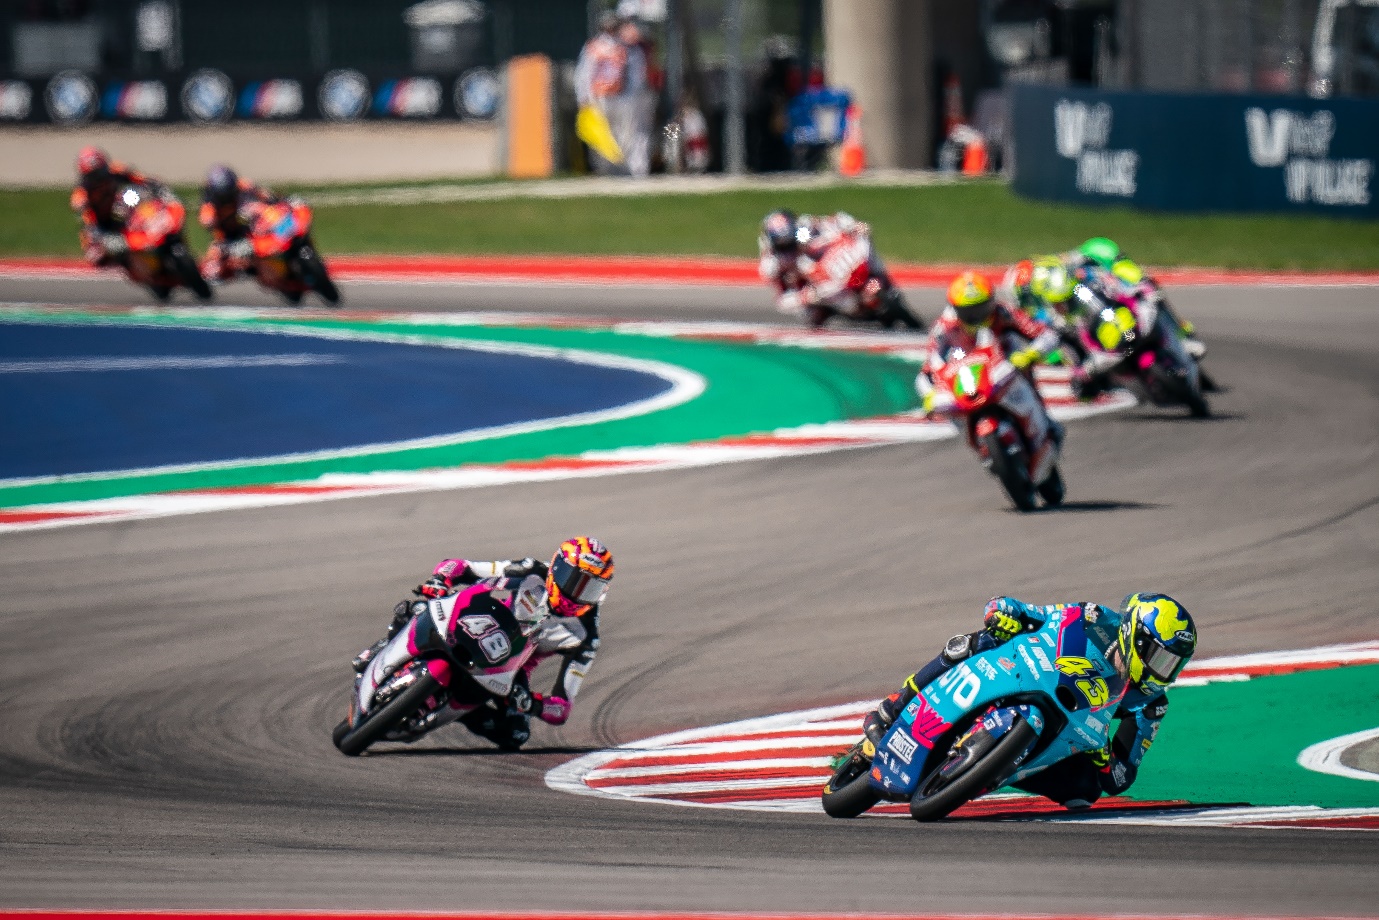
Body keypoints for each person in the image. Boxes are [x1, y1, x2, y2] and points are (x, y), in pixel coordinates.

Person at [861, 593, 1197, 810]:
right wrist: (1003, 612)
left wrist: (1105, 758)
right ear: (1135, 637)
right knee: (984, 639)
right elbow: (1029, 612)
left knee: (1086, 790)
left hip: (1067, 735)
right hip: (1033, 675)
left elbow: (1121, 778)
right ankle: (900, 702)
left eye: (1172, 665)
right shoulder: (1092, 617)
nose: (1163, 672)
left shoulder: (1150, 705)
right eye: (1160, 658)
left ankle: (993, 770)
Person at [356, 536, 613, 749]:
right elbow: (460, 566)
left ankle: (461, 710)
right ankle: (383, 646)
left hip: (512, 666)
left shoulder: (586, 637)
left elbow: (562, 708)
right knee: (420, 607)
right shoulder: (531, 570)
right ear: (556, 567)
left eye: (589, 589)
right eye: (572, 580)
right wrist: (440, 580)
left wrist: (531, 703)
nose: (577, 594)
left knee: (515, 735)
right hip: (481, 620)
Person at [916, 271, 1065, 445]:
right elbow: (930, 364)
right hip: (968, 366)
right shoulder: (944, 326)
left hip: (1005, 359)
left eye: (982, 309)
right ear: (955, 309)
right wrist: (929, 393)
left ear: (992, 301)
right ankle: (973, 433)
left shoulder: (1004, 312)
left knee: (1022, 368)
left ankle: (1045, 423)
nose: (977, 317)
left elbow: (1047, 334)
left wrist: (1030, 353)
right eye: (968, 312)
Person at [758, 209, 916, 328]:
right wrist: (807, 296)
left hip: (837, 269)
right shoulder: (772, 263)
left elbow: (835, 220)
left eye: (792, 240)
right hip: (816, 291)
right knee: (811, 316)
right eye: (784, 246)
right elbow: (782, 301)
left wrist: (852, 226)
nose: (790, 248)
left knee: (866, 248)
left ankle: (885, 285)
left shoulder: (804, 230)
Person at [1067, 237, 1204, 360]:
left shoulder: (1120, 267)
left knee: (1155, 297)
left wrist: (1140, 287)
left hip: (1132, 296)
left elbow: (1139, 281)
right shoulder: (1082, 268)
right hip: (1110, 306)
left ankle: (1182, 334)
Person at [69, 146, 170, 267]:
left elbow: (140, 178)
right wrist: (83, 205)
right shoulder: (82, 191)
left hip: (118, 209)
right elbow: (77, 204)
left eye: (100, 173)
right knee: (97, 255)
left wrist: (154, 185)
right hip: (99, 225)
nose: (99, 179)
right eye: (93, 176)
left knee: (142, 210)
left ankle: (154, 240)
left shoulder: (116, 170)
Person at [197, 164, 280, 281]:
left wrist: (272, 201)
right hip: (227, 239)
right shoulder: (209, 205)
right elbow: (206, 221)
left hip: (253, 230)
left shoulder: (244, 186)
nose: (227, 198)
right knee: (211, 270)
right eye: (223, 195)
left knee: (264, 211)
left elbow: (267, 196)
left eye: (229, 192)